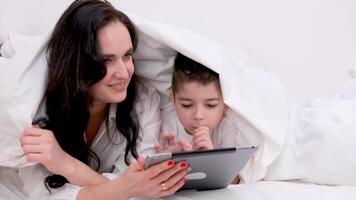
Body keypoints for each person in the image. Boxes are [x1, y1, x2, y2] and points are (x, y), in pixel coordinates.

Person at [19, 0, 189, 199]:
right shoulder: (37, 110)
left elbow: (136, 189)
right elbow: (42, 194)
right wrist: (127, 188)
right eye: (107, 60)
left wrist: (66, 164)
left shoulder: (143, 101)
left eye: (127, 55)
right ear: (78, 63)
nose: (125, 73)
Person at [156, 53, 249, 153]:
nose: (198, 115)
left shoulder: (229, 129)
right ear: (173, 100)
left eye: (210, 105)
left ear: (225, 103)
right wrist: (165, 157)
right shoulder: (167, 126)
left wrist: (210, 156)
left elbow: (232, 167)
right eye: (186, 105)